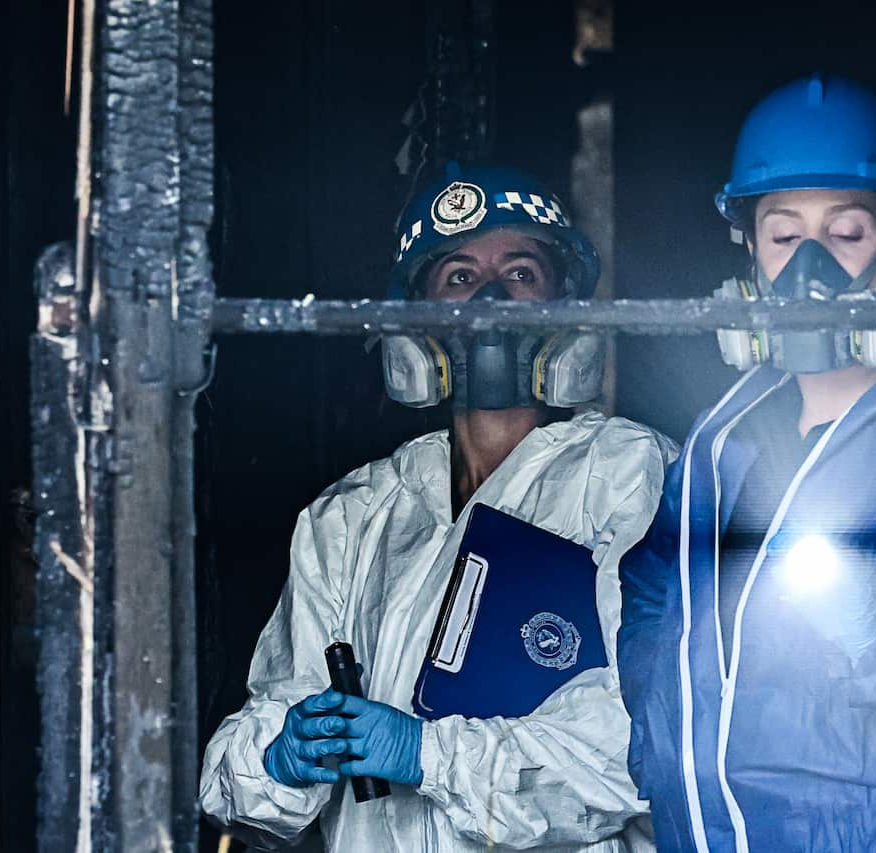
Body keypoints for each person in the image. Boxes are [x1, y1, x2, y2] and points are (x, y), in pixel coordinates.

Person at [200, 163, 676, 851]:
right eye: (458, 278)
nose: (489, 299)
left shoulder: (630, 476)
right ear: (416, 322)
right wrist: (280, 754)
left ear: (565, 309)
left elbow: (643, 746)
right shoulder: (352, 518)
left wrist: (427, 754)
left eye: (520, 273)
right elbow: (236, 785)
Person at [616, 74, 876, 852]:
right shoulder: (723, 434)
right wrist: (656, 748)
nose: (810, 269)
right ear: (747, 248)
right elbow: (653, 589)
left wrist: (870, 636)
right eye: (785, 237)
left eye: (846, 233)